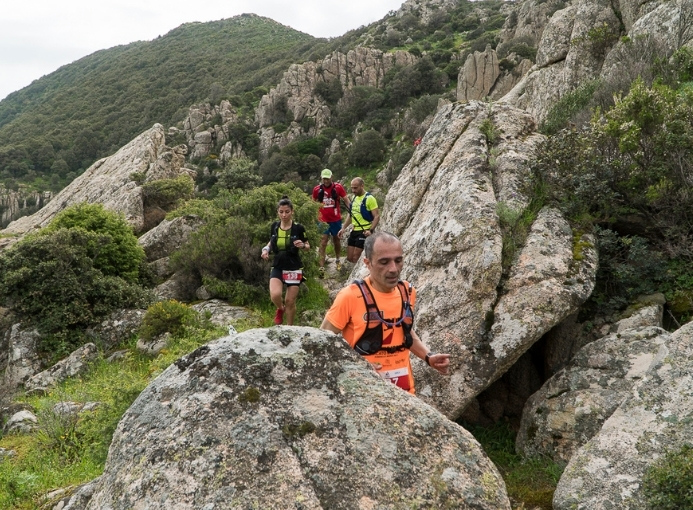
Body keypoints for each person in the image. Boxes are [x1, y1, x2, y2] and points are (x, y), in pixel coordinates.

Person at [320, 232, 449, 394]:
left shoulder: (407, 293)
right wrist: (353, 365)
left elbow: (404, 332)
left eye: (398, 260)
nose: (393, 269)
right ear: (368, 263)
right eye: (384, 262)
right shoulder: (350, 296)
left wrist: (428, 357)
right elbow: (322, 341)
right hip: (363, 393)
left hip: (405, 393)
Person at [261, 196, 311, 325]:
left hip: (294, 266)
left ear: (292, 211)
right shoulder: (275, 226)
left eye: (287, 211)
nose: (284, 215)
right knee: (275, 295)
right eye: (281, 212)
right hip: (278, 265)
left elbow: (307, 246)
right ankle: (280, 309)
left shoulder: (298, 228)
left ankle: (290, 327)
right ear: (277, 212)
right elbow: (272, 241)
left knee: (290, 301)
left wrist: (303, 246)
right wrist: (266, 249)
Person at [312, 168, 350, 277]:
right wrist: (313, 217)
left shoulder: (338, 188)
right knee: (323, 242)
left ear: (331, 177)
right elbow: (312, 203)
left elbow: (346, 199)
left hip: (335, 219)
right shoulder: (316, 190)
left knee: (336, 240)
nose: (326, 181)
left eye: (327, 179)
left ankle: (338, 259)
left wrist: (351, 209)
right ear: (321, 178)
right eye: (324, 179)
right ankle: (321, 267)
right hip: (322, 220)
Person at [339, 177, 380, 263]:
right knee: (350, 258)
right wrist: (343, 228)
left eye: (355, 188)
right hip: (354, 231)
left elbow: (376, 216)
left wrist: (371, 230)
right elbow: (351, 215)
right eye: (352, 188)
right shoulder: (354, 198)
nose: (353, 190)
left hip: (364, 232)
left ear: (362, 186)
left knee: (355, 257)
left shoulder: (370, 198)